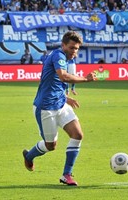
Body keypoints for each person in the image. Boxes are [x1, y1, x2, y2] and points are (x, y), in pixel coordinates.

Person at [22, 31, 97, 186]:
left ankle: (67, 174)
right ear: (63, 45)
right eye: (71, 48)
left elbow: (56, 82)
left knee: (77, 135)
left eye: (76, 48)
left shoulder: (64, 57)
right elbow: (63, 77)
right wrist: (86, 79)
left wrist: (66, 98)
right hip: (45, 108)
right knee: (51, 146)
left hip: (60, 104)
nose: (74, 51)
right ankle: (29, 156)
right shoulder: (58, 56)